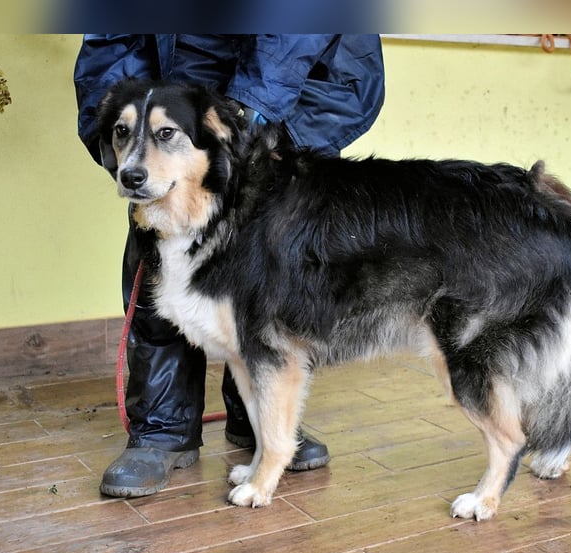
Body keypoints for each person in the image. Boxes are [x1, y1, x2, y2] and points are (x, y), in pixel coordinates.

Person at [73, 35, 386, 498]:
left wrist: (255, 109)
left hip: (296, 76)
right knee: (168, 262)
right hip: (178, 62)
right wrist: (115, 123)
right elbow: (113, 31)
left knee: (276, 269)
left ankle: (262, 423)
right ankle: (162, 430)